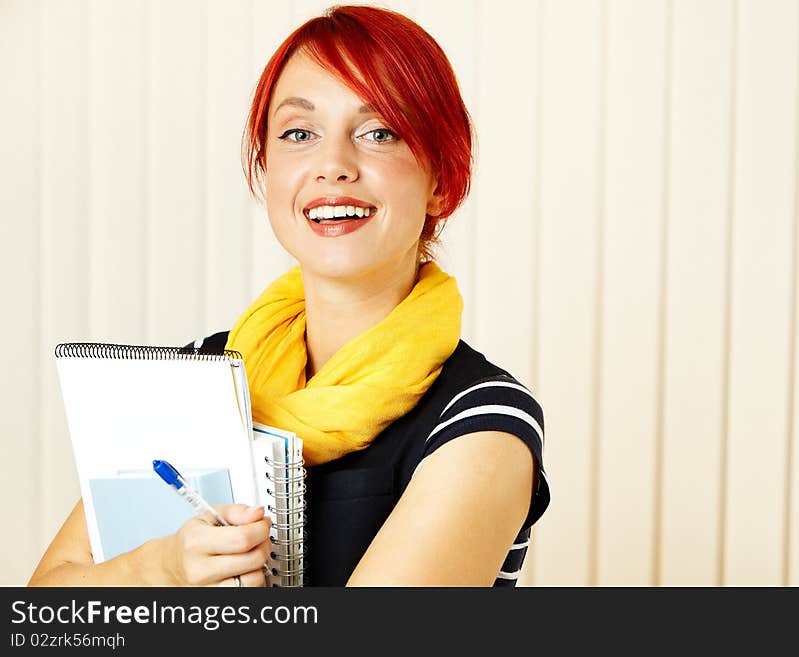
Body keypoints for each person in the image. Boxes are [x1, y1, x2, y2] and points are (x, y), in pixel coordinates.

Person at [29, 4, 549, 587]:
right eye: (300, 133)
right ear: (266, 167)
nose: (333, 166)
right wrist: (159, 570)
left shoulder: (481, 421)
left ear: (442, 180)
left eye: (379, 133)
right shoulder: (198, 375)